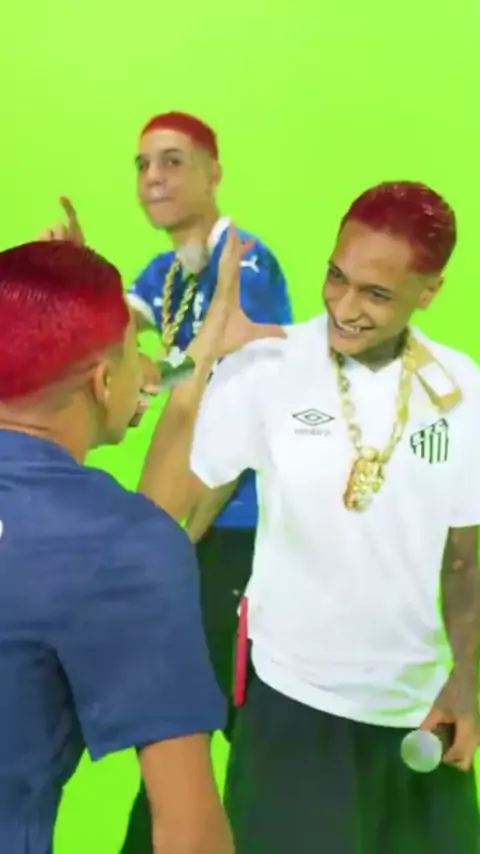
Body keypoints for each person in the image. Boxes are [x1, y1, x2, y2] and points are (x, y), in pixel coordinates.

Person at [140, 183, 480, 853]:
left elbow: (465, 556)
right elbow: (159, 505)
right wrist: (203, 357)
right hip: (292, 708)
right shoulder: (268, 366)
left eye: (375, 294)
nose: (345, 307)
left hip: (419, 717)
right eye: (336, 276)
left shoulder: (463, 389)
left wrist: (467, 679)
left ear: (429, 292)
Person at [39, 111, 293, 853]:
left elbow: (244, 417)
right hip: (191, 531)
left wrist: (181, 537)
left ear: (214, 173)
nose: (153, 178)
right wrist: (77, 276)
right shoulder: (169, 272)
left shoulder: (244, 264)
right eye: (143, 164)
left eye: (174, 162)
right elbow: (132, 357)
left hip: (236, 533)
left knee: (222, 724)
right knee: (183, 724)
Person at [0, 240, 235, 854]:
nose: (146, 368)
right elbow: (188, 832)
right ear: (104, 382)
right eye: (135, 352)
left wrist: (55, 326)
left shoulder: (117, 544)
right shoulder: (123, 547)